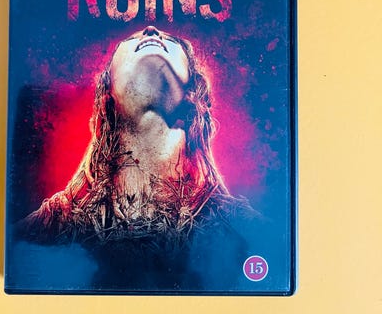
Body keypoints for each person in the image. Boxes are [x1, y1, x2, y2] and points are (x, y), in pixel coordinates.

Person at [18, 26, 258, 289]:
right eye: (131, 39)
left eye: (170, 39)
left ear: (192, 91)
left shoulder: (241, 226)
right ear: (107, 93)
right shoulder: (53, 225)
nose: (151, 31)